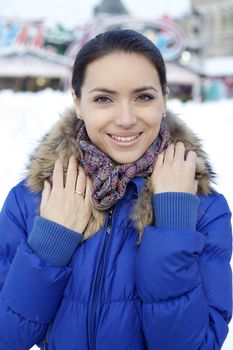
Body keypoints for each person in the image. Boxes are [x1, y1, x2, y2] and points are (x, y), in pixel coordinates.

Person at [0, 29, 232, 350]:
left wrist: (173, 225)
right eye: (103, 99)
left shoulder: (203, 208)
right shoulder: (32, 199)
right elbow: (7, 337)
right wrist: (49, 244)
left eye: (143, 97)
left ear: (164, 99)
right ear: (78, 103)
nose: (125, 118)